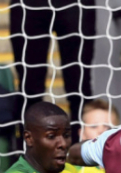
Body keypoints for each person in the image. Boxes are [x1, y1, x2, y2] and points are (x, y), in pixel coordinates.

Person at [10, 0, 98, 138]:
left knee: (80, 85)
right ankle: (27, 146)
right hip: (29, 5)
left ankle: (83, 147)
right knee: (30, 87)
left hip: (75, 4)